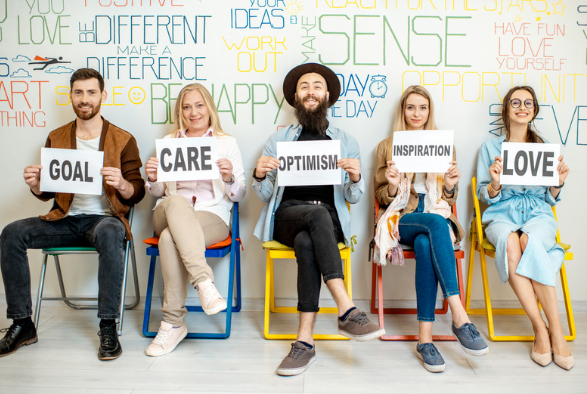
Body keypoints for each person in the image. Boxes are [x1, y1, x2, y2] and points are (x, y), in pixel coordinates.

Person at [0, 68, 145, 360]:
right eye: (78, 92)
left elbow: (138, 191)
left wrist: (123, 185)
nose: (85, 99)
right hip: (65, 220)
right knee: (11, 232)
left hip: (104, 220)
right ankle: (22, 323)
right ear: (71, 96)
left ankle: (107, 325)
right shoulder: (57, 136)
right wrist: (37, 186)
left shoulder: (123, 139)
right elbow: (50, 192)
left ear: (103, 96)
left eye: (91, 92)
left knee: (109, 230)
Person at [253, 63, 385, 376]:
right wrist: (260, 174)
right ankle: (346, 308)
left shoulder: (345, 141)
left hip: (327, 219)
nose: (311, 91)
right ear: (296, 97)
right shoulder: (279, 140)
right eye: (304, 87)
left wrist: (355, 178)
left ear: (326, 95)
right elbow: (264, 194)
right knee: (311, 217)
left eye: (316, 86)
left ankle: (304, 342)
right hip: (288, 215)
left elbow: (352, 198)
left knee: (307, 240)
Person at [374, 85, 488, 373]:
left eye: (422, 107)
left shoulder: (443, 145)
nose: (417, 113)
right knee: (435, 224)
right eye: (411, 107)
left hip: (435, 213)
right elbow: (381, 198)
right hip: (402, 217)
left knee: (427, 242)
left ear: (429, 111)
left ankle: (425, 340)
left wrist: (450, 186)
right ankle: (459, 313)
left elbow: (449, 198)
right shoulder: (388, 146)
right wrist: (390, 182)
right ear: (403, 111)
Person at [143, 83, 245, 357]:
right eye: (186, 107)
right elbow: (158, 193)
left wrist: (229, 178)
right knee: (176, 202)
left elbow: (239, 195)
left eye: (199, 105)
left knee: (169, 239)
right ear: (180, 112)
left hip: (211, 215)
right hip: (167, 211)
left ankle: (172, 323)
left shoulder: (226, 143)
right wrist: (152, 179)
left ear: (209, 108)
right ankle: (204, 283)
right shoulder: (167, 143)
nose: (193, 112)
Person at [476, 85, 572, 370]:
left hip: (538, 213)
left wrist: (556, 184)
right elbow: (483, 194)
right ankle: (541, 329)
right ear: (506, 109)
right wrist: (494, 183)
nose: (522, 106)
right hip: (501, 212)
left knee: (529, 241)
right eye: (515, 102)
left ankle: (556, 330)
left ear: (534, 111)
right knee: (509, 241)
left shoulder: (543, 149)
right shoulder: (489, 148)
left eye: (528, 103)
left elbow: (549, 198)